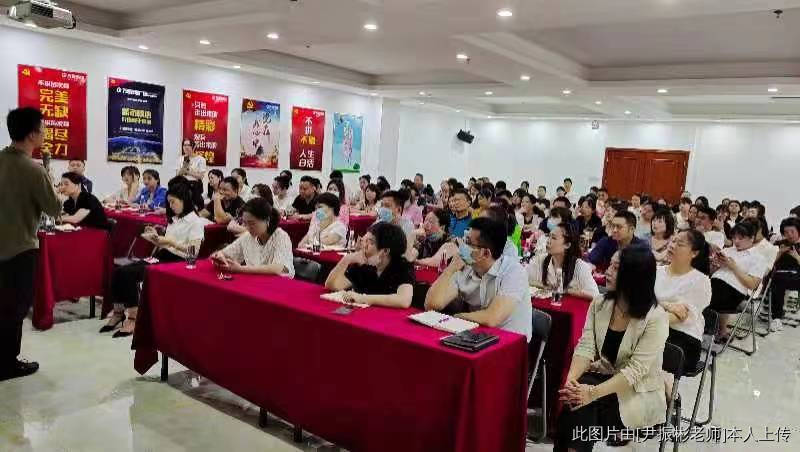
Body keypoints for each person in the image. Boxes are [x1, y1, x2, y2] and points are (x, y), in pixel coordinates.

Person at [554, 247, 668, 451]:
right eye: (610, 266)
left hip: (637, 392)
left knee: (580, 404)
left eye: (616, 268)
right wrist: (571, 380)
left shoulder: (656, 317)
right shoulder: (600, 303)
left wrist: (591, 393)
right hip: (605, 378)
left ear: (634, 277)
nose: (607, 271)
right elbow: (586, 346)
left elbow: (635, 371)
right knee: (576, 396)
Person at [0, 107, 62, 380]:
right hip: (20, 248)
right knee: (15, 309)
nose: (45, 133)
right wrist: (49, 176)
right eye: (43, 129)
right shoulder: (33, 170)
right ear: (32, 134)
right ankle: (7, 363)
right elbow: (54, 208)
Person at [103, 184, 205, 337]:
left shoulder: (195, 222)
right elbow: (165, 244)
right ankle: (118, 312)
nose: (170, 206)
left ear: (184, 200)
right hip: (163, 255)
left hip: (178, 262)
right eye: (169, 202)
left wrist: (170, 242)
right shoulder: (175, 219)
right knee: (118, 271)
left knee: (128, 274)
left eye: (173, 202)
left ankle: (133, 318)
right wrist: (155, 238)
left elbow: (193, 253)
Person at [425, 217, 532, 340]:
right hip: (476, 338)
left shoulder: (514, 271)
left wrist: (457, 317)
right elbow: (432, 305)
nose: (462, 245)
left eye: (468, 242)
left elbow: (492, 317)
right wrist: (449, 270)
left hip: (510, 342)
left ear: (485, 253)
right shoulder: (465, 267)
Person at [655, 230, 712, 373]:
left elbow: (680, 315)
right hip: (654, 328)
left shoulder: (700, 281)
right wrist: (666, 305)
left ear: (694, 253)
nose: (672, 245)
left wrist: (648, 315)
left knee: (641, 348)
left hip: (682, 338)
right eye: (673, 241)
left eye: (680, 244)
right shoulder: (656, 271)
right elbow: (641, 300)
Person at [323, 222, 416, 307]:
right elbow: (333, 285)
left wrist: (362, 298)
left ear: (385, 251)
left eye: (371, 242)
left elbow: (403, 300)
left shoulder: (402, 266)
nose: (365, 246)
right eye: (365, 241)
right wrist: (346, 259)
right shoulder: (363, 265)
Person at [709, 222, 767, 341]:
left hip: (734, 291)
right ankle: (712, 330)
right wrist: (714, 265)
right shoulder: (728, 250)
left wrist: (733, 267)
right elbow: (712, 272)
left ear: (752, 238)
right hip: (714, 284)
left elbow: (752, 284)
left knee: (712, 293)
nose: (736, 241)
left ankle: (714, 330)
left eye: (740, 238)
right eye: (734, 238)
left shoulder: (759, 258)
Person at [211, 198, 295, 277]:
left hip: (279, 284)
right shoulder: (247, 237)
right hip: (255, 283)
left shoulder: (281, 236)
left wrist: (240, 269)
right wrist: (219, 256)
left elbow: (277, 268)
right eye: (245, 223)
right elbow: (225, 253)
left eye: (252, 223)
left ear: (267, 220)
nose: (247, 228)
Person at [528, 222, 600, 300]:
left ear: (567, 245)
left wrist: (567, 290)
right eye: (549, 236)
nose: (548, 241)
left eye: (554, 238)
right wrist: (546, 286)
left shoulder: (579, 266)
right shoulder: (540, 260)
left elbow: (595, 295)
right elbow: (525, 279)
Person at [768, 217, 800, 331]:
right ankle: (776, 318)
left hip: (797, 277)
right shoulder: (779, 244)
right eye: (786, 232)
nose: (789, 235)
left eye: (792, 231)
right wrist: (780, 253)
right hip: (780, 276)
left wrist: (797, 257)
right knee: (777, 280)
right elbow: (768, 263)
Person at [376, 190, 416, 259]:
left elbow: (404, 254)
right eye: (382, 205)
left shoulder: (407, 226)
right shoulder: (379, 222)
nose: (383, 209)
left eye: (387, 206)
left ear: (399, 209)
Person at [176, 138, 207, 204]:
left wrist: (188, 171)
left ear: (192, 146)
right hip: (182, 185)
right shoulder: (180, 159)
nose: (186, 147)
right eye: (184, 145)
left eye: (188, 145)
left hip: (194, 186)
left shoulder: (201, 159)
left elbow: (201, 176)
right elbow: (177, 175)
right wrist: (183, 167)